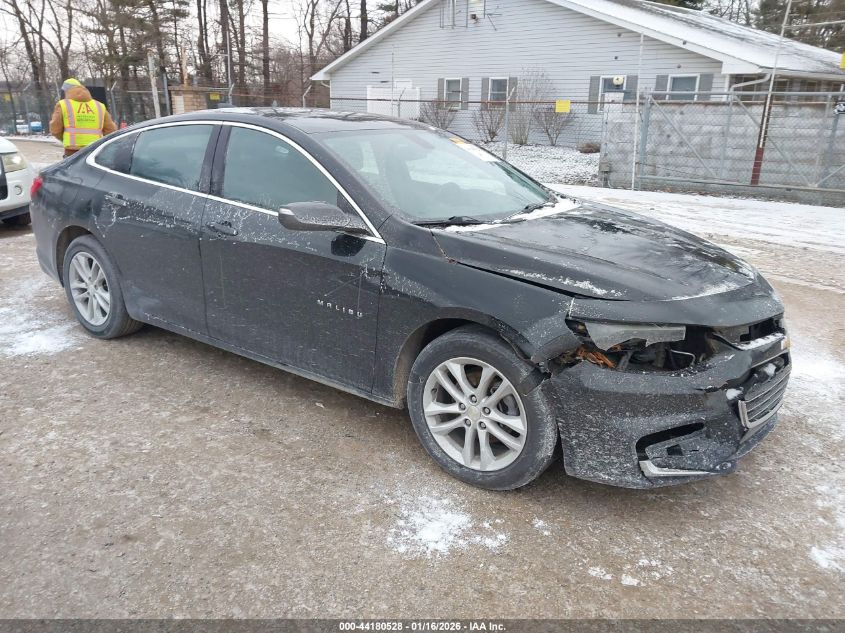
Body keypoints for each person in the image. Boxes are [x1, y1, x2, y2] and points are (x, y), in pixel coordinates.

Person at [50, 78, 117, 158]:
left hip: (71, 151)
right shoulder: (99, 106)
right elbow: (111, 130)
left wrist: (65, 139)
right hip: (95, 149)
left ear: (66, 91)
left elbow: (55, 129)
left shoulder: (63, 105)